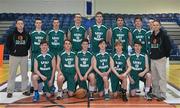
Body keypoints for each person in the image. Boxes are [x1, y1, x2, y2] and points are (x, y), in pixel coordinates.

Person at [6, 18, 31, 98]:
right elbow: (8, 45)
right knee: (12, 74)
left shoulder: (27, 35)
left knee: (24, 74)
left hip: (24, 56)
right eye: (19, 23)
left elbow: (28, 45)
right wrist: (14, 50)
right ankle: (10, 91)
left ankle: (24, 90)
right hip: (14, 57)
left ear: (23, 25)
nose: (20, 25)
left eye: (21, 24)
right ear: (16, 25)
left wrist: (23, 51)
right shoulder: (11, 35)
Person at [150, 20, 172, 101]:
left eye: (157, 25)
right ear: (152, 26)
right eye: (154, 25)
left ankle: (163, 94)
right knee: (154, 78)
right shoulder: (151, 35)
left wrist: (164, 56)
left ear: (160, 26)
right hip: (153, 59)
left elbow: (168, 47)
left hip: (161, 59)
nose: (155, 26)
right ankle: (155, 93)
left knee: (162, 77)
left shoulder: (164, 35)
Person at [30, 17, 47, 93]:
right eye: (37, 23)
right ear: (35, 24)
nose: (38, 24)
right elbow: (30, 44)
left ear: (41, 24)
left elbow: (46, 45)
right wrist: (29, 53)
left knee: (43, 69)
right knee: (34, 71)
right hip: (34, 53)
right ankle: (32, 86)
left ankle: (42, 86)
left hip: (42, 53)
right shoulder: (32, 33)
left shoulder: (44, 33)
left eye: (40, 23)